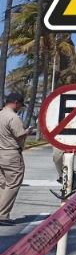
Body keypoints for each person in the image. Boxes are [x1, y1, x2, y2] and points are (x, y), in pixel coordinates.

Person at [0, 93, 35, 225]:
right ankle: (2, 215)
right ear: (15, 102)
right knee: (13, 183)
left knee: (2, 184)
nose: (20, 108)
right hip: (11, 153)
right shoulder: (13, 117)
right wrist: (28, 131)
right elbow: (19, 135)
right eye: (20, 105)